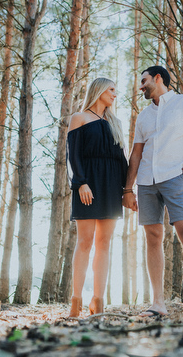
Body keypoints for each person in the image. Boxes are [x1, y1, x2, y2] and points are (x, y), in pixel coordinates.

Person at [122, 66, 183, 317]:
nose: (141, 86)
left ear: (158, 78)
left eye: (144, 80)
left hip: (175, 178)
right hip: (147, 182)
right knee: (153, 237)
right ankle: (158, 303)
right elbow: (136, 154)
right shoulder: (144, 116)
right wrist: (128, 188)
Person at [67, 78, 128, 317]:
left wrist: (127, 189)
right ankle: (76, 300)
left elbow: (122, 159)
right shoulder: (79, 118)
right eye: (111, 90)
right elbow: (72, 155)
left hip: (112, 186)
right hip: (88, 184)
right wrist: (80, 182)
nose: (115, 94)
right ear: (99, 91)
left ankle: (98, 300)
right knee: (85, 242)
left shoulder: (116, 122)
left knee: (104, 244)